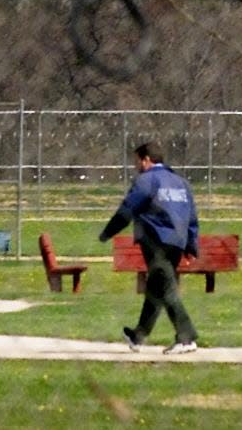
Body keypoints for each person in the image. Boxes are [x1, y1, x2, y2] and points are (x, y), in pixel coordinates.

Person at [99, 138, 199, 354]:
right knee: (156, 287)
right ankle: (138, 335)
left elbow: (127, 209)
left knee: (166, 288)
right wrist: (191, 245)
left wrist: (108, 232)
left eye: (137, 161)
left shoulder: (147, 181)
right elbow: (191, 217)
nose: (136, 166)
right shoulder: (180, 182)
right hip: (177, 241)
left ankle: (186, 337)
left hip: (156, 240)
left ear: (146, 160)